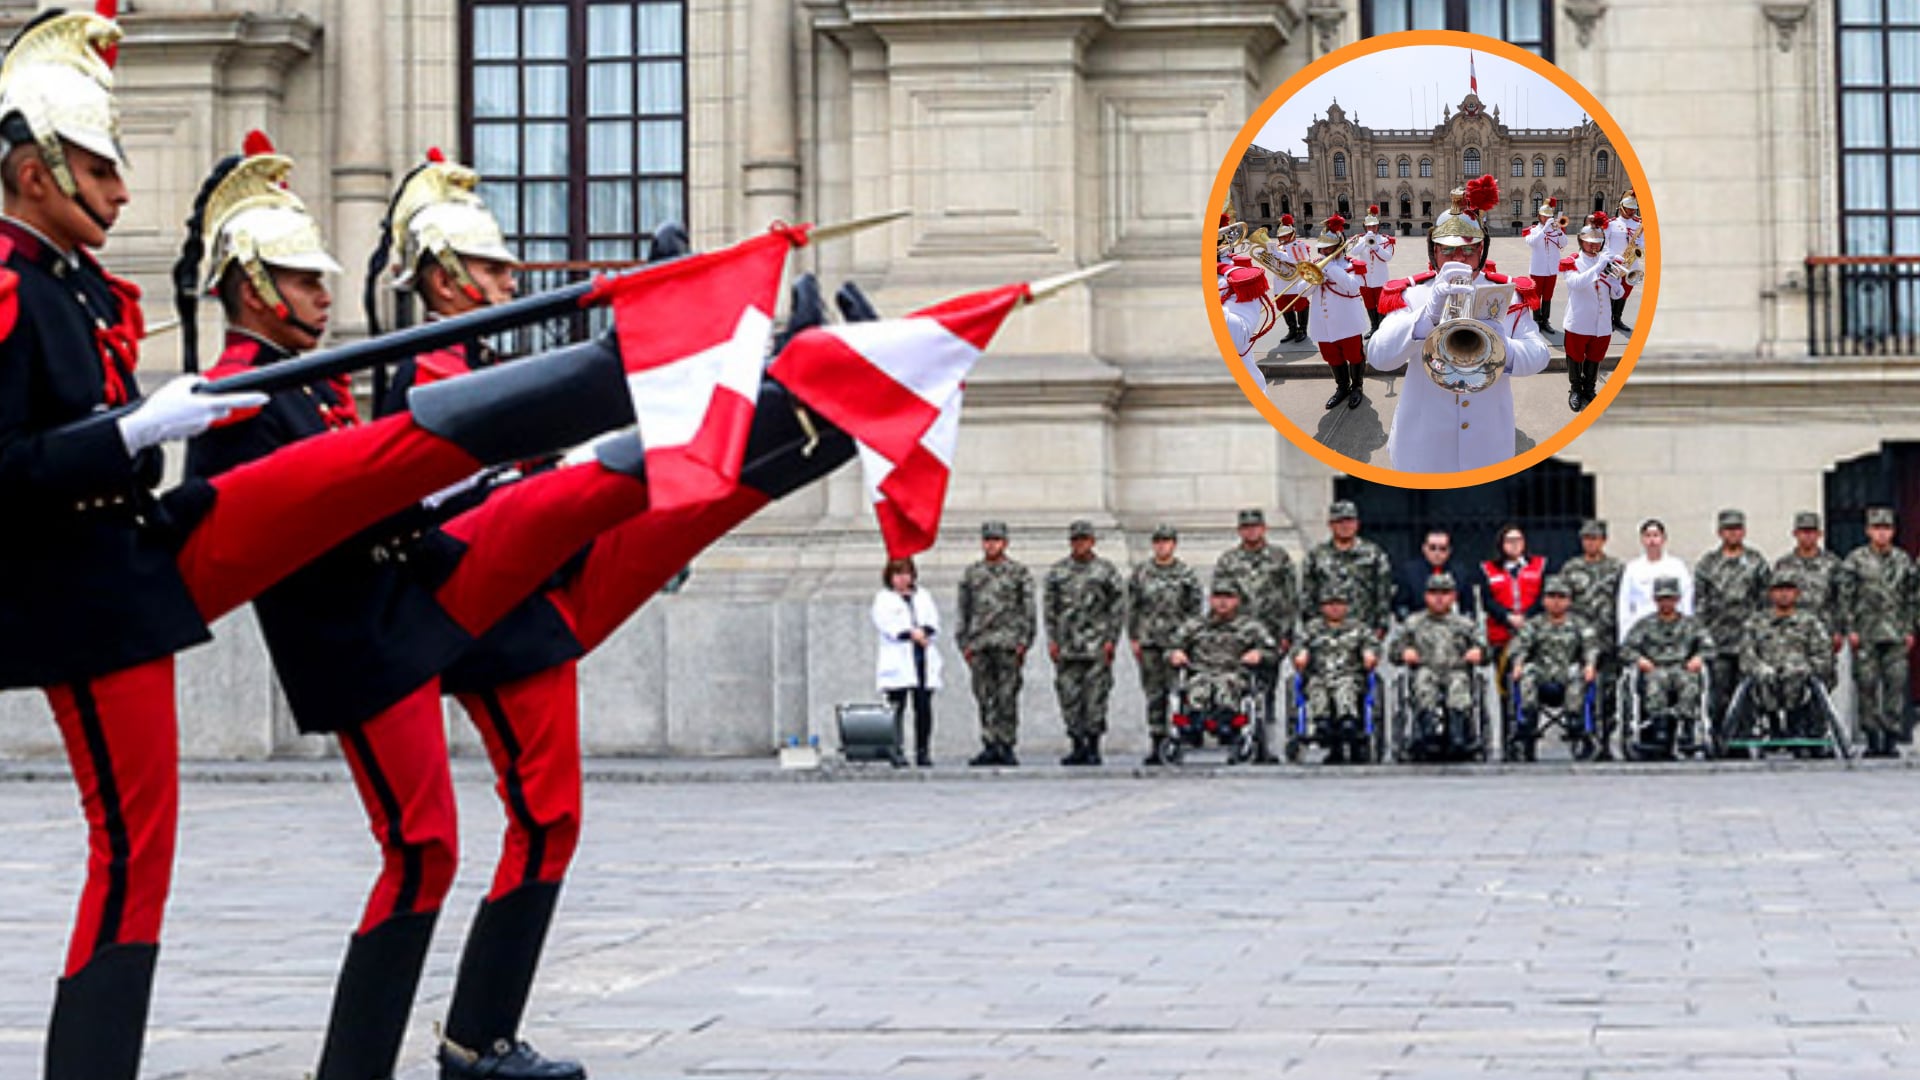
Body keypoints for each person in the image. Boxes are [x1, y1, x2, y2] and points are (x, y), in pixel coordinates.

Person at [0, 20, 628, 1078]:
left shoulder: (70, 286)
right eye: (101, 165)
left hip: (130, 581)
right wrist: (136, 432)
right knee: (138, 859)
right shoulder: (19, 289)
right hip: (104, 594)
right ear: (31, 169)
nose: (119, 188)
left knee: (152, 859)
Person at [359, 151, 867, 1079]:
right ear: (440, 277)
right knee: (543, 819)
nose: (512, 282)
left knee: (687, 499)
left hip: (534, 583)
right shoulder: (427, 368)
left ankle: (801, 405)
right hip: (493, 610)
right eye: (494, 270)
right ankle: (476, 1041)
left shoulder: (466, 357)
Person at [182, 134, 666, 1080]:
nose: (323, 296)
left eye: (325, 280)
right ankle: (424, 1051)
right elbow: (258, 525)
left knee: (470, 838)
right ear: (250, 286)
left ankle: (465, 1040)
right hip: (379, 633)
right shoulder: (249, 395)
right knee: (429, 846)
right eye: (300, 280)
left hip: (417, 616)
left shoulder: (308, 387)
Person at [1366, 211, 1551, 473]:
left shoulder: (1508, 295)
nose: (1458, 258)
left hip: (1487, 445)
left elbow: (1539, 355)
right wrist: (1426, 317)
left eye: (1468, 250)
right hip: (1424, 445)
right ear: (1434, 252)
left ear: (1481, 251)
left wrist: (1502, 346)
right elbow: (1379, 357)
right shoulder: (1412, 294)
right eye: (1448, 251)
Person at [1838, 506, 1918, 758]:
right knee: (1867, 684)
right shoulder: (1855, 560)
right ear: (1868, 531)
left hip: (1895, 632)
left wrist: (1910, 628)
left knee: (1896, 683)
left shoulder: (1903, 560)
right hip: (1866, 632)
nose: (1882, 534)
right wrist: (1850, 628)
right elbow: (1845, 597)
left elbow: (1912, 597)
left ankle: (1891, 736)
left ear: (1893, 531)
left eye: (1886, 529)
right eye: (1877, 529)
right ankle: (1872, 736)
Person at [1045, 519, 1124, 765]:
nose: (1080, 544)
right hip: (1067, 646)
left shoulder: (1106, 571)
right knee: (1069, 696)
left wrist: (1112, 639)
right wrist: (1052, 640)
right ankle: (1077, 744)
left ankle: (1093, 745)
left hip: (1096, 645)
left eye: (1084, 539)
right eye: (1076, 540)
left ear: (1092, 541)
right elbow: (1050, 609)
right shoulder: (1058, 572)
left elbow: (1118, 607)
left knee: (1096, 697)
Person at [958, 520, 1035, 767]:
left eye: (996, 540)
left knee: (1007, 696)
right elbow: (964, 609)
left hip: (1008, 643)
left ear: (1005, 543)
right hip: (980, 643)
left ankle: (1007, 743)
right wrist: (964, 642)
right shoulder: (972, 573)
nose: (991, 545)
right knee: (984, 696)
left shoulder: (1018, 572)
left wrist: (1024, 641)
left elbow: (1028, 610)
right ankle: (989, 743)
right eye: (988, 540)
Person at [1385, 573, 1488, 749]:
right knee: (1424, 681)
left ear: (1453, 596)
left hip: (1456, 669)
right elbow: (1393, 652)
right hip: (1425, 668)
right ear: (1426, 596)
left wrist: (1479, 652)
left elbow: (1486, 650)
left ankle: (1458, 733)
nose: (1439, 598)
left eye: (1445, 593)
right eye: (1434, 593)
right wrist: (1404, 652)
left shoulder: (1465, 624)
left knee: (1458, 684)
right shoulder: (1413, 623)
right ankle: (1427, 732)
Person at [1128, 523, 1202, 765]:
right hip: (1150, 642)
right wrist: (1134, 638)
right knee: (1154, 693)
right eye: (1158, 542)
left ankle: (1178, 738)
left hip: (1177, 644)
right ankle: (1157, 740)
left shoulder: (1186, 574)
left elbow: (1194, 611)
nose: (1162, 546)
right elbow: (1133, 608)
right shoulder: (1141, 573)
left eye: (1167, 542)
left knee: (1179, 693)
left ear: (1174, 545)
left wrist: (1189, 641)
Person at [1737, 569, 1835, 748]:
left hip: (1800, 679)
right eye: (1778, 590)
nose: (1783, 594)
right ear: (1770, 594)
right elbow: (1746, 653)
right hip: (1766, 679)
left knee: (1798, 678)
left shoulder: (1810, 622)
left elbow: (1823, 654)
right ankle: (1771, 726)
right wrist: (1760, 667)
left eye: (1788, 590)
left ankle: (1799, 727)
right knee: (1761, 679)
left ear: (1797, 594)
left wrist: (1805, 668)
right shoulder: (1756, 623)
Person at [1506, 576, 1600, 761]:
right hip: (1542, 676)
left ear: (1569, 600)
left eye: (1561, 597)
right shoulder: (1534, 624)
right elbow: (1520, 647)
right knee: (1527, 672)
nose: (1556, 602)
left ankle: (1576, 722)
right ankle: (1527, 721)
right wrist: (1518, 663)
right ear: (1544, 600)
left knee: (1577, 672)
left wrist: (1590, 664)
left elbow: (1591, 646)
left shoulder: (1579, 624)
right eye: (1551, 596)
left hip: (1569, 677)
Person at [1694, 508, 1771, 733]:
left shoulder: (1756, 562)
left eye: (1737, 529)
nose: (1733, 534)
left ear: (1744, 531)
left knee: (1747, 690)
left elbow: (1766, 601)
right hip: (1718, 640)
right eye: (1728, 529)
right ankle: (1720, 736)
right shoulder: (1708, 564)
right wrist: (1702, 638)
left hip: (1747, 639)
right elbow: (1700, 603)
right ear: (1719, 532)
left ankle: (1744, 737)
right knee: (1718, 692)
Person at [1282, 217, 1370, 410]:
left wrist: (1329, 268)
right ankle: (1342, 388)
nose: (1323, 252)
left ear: (1339, 246)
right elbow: (1301, 292)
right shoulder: (1314, 265)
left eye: (1328, 248)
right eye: (1321, 248)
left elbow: (1354, 287)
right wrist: (1315, 279)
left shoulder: (1352, 265)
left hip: (1347, 323)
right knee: (1332, 357)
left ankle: (1357, 387)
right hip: (1323, 324)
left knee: (1354, 356)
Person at [1168, 580, 1276, 732]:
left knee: (1228, 684)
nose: (1223, 602)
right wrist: (1175, 653)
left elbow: (1272, 651)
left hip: (1234, 674)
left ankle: (1228, 720)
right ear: (1211, 600)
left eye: (1228, 597)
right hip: (1201, 673)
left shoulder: (1251, 627)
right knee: (1198, 685)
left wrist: (1259, 654)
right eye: (1218, 597)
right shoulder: (1195, 625)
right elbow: (1171, 646)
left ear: (1237, 600)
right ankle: (1195, 719)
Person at [1620, 577, 1712, 752]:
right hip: (1655, 667)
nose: (1666, 603)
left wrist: (1699, 657)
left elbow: (1709, 647)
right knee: (1656, 682)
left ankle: (1686, 726)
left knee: (1689, 682)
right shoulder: (1645, 625)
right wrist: (1640, 660)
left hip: (1682, 667)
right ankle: (1659, 726)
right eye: (1662, 599)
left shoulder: (1690, 624)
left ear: (1677, 599)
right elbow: (1626, 649)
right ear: (1655, 600)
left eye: (1670, 598)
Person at [1290, 585, 1380, 764]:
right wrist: (1300, 655)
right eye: (1330, 604)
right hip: (1319, 675)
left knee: (1345, 686)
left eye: (1339, 604)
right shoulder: (1311, 629)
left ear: (1346, 606)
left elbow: (1373, 646)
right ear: (1322, 607)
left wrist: (1369, 654)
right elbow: (1298, 648)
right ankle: (1321, 721)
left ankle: (1348, 720)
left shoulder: (1359, 628)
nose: (1334, 608)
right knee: (1316, 687)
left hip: (1350, 676)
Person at [1559, 519, 1625, 758]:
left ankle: (1606, 738)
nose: (1591, 543)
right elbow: (1561, 603)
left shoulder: (1616, 568)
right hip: (1579, 642)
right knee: (1580, 689)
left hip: (1607, 637)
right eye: (1587, 538)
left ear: (1604, 540)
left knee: (1608, 691)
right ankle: (1583, 736)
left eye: (1595, 538)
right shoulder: (1570, 568)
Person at [874, 557, 943, 767]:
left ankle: (923, 750)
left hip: (922, 656)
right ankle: (896, 749)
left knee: (923, 707)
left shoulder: (923, 596)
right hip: (899, 657)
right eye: (897, 574)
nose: (903, 579)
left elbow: (933, 621)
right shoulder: (884, 599)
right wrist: (912, 634)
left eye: (906, 574)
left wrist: (923, 632)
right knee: (897, 707)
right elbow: (887, 625)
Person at [1557, 214, 1626, 411]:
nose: (1594, 246)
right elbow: (1575, 284)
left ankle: (1589, 389)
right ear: (1581, 241)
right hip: (1579, 320)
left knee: (1595, 358)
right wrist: (1599, 266)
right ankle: (1576, 390)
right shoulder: (1572, 261)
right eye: (1589, 243)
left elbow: (1617, 293)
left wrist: (1616, 281)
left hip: (1602, 323)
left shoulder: (1605, 261)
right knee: (1575, 357)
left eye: (1597, 242)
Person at [1477, 524, 1547, 716]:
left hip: (1533, 634)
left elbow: (1544, 597)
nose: (1514, 545)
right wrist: (1508, 617)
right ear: (1501, 544)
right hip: (1502, 635)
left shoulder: (1540, 566)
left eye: (1518, 540)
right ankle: (1508, 732)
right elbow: (1487, 601)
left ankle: (1529, 727)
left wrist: (1527, 618)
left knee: (1530, 682)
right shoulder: (1488, 569)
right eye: (1509, 541)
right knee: (1505, 686)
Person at [1301, 500, 1395, 639]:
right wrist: (1312, 627)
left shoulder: (1373, 554)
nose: (1345, 526)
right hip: (1326, 635)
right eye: (1339, 521)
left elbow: (1383, 592)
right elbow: (1308, 594)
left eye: (1349, 521)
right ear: (1331, 525)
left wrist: (1381, 625)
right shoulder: (1316, 556)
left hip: (1363, 631)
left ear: (1357, 523)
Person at [1775, 510, 1845, 660]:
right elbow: (1774, 599)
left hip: (1824, 630)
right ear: (1795, 533)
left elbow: (1841, 599)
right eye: (1803, 531)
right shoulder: (1784, 564)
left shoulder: (1833, 563)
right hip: (1791, 632)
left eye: (1812, 531)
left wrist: (1839, 631)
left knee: (1823, 679)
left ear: (1820, 534)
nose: (1808, 536)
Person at [1617, 517, 1694, 641]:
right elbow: (1625, 604)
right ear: (1642, 540)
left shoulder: (1677, 566)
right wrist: (1624, 637)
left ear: (1663, 539)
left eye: (1656, 535)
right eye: (1647, 536)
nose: (1652, 540)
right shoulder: (1633, 568)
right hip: (1641, 631)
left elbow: (1687, 601)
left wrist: (1688, 632)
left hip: (1672, 630)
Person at [1393, 529, 1465, 619]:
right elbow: (1400, 605)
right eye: (1432, 548)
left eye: (1442, 549)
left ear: (1449, 551)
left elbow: (1467, 608)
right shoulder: (1409, 572)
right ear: (1424, 548)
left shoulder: (1459, 572)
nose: (1437, 553)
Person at [1522, 197, 1567, 338]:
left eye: (1549, 216)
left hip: (1552, 269)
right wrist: (1545, 229)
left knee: (1548, 296)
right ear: (1539, 216)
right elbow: (1532, 243)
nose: (1547, 218)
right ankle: (1536, 320)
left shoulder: (1555, 230)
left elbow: (1564, 243)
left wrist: (1559, 231)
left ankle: (1545, 321)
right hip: (1538, 269)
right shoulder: (1534, 230)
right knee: (1536, 296)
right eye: (1544, 216)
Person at [1355, 205, 1397, 338]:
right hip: (1366, 279)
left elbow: (1387, 257)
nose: (1371, 229)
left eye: (1373, 226)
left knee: (1381, 304)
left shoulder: (1385, 240)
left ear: (1378, 227)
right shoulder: (1361, 239)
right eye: (1368, 227)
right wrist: (1365, 241)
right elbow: (1354, 252)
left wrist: (1376, 246)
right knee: (1369, 303)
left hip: (1380, 278)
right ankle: (1374, 326)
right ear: (1365, 227)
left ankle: (1382, 327)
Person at [1267, 214, 1311, 344]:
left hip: (1295, 282)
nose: (1283, 239)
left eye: (1286, 236)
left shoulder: (1299, 245)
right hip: (1280, 282)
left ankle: (1302, 330)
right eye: (1281, 237)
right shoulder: (1277, 247)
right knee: (1284, 307)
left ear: (1292, 234)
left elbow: (1302, 261)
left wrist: (1280, 255)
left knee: (1300, 306)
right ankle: (1292, 329)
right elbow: (1273, 265)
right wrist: (1268, 256)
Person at [1606, 191, 1644, 334]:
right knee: (1612, 292)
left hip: (1631, 264)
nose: (1632, 211)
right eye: (1629, 208)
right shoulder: (1612, 224)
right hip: (1615, 264)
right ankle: (1608, 320)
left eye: (1634, 209)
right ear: (1621, 207)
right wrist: (1611, 257)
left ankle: (1618, 318)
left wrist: (1639, 243)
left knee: (1625, 293)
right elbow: (1604, 244)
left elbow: (1644, 244)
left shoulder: (1639, 225)